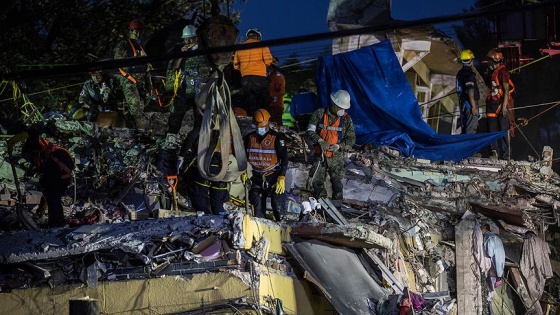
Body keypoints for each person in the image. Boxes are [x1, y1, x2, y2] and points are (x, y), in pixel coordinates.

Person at [8, 130, 75, 228]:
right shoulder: (42, 157)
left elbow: (32, 132)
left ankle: (57, 223)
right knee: (52, 194)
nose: (30, 161)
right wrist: (40, 211)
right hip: (63, 167)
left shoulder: (34, 146)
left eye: (28, 158)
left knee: (52, 194)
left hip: (58, 162)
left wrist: (13, 140)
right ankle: (55, 221)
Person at [306, 90, 355, 202]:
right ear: (334, 104)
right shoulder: (319, 114)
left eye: (344, 108)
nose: (342, 110)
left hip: (336, 157)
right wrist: (320, 140)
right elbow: (309, 130)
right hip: (320, 155)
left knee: (337, 183)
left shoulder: (346, 119)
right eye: (340, 107)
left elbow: (351, 139)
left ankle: (337, 209)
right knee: (317, 182)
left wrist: (339, 146)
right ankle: (322, 205)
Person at [165, 25, 214, 135]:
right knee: (175, 116)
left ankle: (196, 142)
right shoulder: (182, 52)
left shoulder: (205, 52)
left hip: (200, 91)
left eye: (190, 38)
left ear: (196, 38)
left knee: (200, 120)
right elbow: (174, 67)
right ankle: (170, 139)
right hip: (184, 89)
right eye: (185, 39)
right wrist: (181, 55)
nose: (187, 41)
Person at [243, 109, 288, 221]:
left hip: (273, 175)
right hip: (257, 177)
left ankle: (282, 227)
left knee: (278, 205)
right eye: (258, 126)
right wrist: (243, 172)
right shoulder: (249, 138)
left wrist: (282, 176)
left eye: (262, 126)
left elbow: (285, 158)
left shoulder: (277, 137)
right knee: (257, 208)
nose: (260, 129)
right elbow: (242, 156)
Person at [178, 137, 229, 215]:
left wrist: (181, 156)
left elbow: (190, 139)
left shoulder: (203, 132)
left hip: (203, 168)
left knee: (200, 202)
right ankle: (220, 219)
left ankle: (206, 218)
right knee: (218, 203)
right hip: (220, 169)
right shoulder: (228, 134)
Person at [114, 19, 149, 128]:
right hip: (128, 79)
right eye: (135, 31)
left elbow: (146, 65)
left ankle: (130, 125)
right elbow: (119, 63)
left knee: (143, 103)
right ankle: (138, 129)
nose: (138, 34)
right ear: (130, 31)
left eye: (140, 31)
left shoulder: (141, 47)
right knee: (135, 104)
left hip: (141, 80)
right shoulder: (124, 45)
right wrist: (131, 76)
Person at [233, 28, 273, 116]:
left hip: (245, 79)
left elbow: (236, 66)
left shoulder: (240, 48)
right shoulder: (261, 45)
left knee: (250, 103)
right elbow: (268, 61)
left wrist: (245, 69)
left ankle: (252, 123)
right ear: (258, 36)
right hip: (259, 78)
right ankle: (266, 123)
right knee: (264, 102)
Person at [484, 48, 515, 160]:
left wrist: (504, 106)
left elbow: (506, 90)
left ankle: (506, 155)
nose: (487, 62)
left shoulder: (503, 72)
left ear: (494, 60)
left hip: (501, 104)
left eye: (489, 60)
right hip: (491, 103)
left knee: (503, 130)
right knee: (491, 130)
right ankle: (494, 152)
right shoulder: (491, 72)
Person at [456, 49, 480, 134]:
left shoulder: (460, 73)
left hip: (463, 104)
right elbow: (470, 90)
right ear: (471, 61)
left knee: (465, 128)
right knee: (470, 129)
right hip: (470, 105)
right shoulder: (469, 73)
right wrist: (473, 107)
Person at [268, 57, 285, 125]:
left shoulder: (278, 76)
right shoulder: (270, 75)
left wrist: (273, 99)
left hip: (276, 105)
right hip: (271, 105)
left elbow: (280, 91)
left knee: (277, 123)